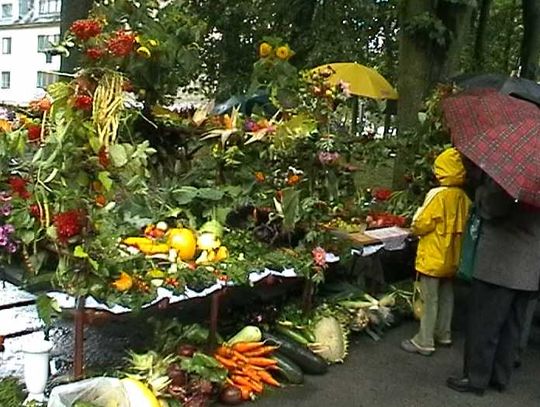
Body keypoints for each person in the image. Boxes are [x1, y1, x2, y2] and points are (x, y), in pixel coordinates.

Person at [446, 176, 540, 395]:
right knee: (512, 326)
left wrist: (480, 191)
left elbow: (493, 208)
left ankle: (476, 378)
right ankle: (500, 376)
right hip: (529, 267)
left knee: (485, 323)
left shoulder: (515, 175)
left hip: (500, 264)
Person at [401, 147, 471, 356]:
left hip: (433, 256)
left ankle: (424, 340)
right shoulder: (463, 196)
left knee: (429, 298)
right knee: (448, 295)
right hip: (453, 257)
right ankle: (444, 334)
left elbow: (421, 224)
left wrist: (413, 227)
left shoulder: (437, 194)